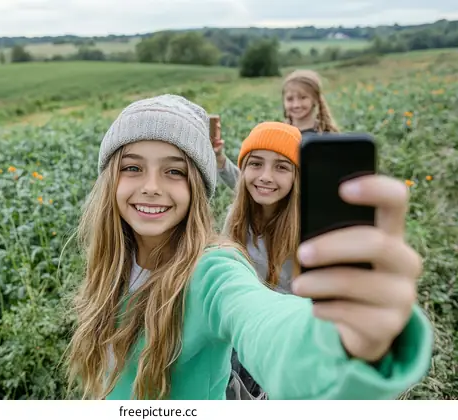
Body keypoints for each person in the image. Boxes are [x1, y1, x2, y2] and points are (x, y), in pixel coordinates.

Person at [65, 94, 432, 400]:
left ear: (196, 187)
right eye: (132, 168)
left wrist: (339, 340)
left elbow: (264, 319)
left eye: (174, 171)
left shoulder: (212, 271)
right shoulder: (112, 265)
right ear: (110, 179)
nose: (150, 186)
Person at [222, 122, 301, 399]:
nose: (266, 176)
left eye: (281, 167)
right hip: (239, 325)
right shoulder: (236, 218)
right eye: (256, 164)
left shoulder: (307, 232)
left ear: (297, 177)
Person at [213, 69, 340, 190]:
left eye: (303, 98)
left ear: (315, 99)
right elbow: (251, 186)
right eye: (290, 99)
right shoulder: (277, 137)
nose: (296, 104)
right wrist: (220, 159)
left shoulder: (327, 139)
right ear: (283, 101)